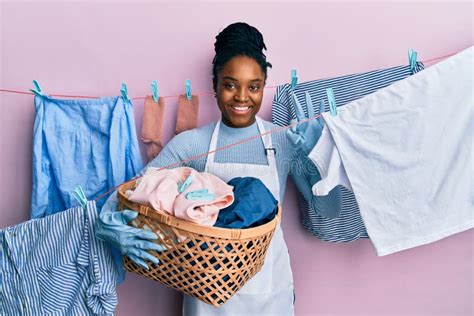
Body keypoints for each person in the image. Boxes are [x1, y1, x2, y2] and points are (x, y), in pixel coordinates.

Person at [96, 22, 339, 315]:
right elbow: (132, 192)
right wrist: (106, 227)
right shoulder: (192, 145)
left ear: (263, 86)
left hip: (269, 293)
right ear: (215, 86)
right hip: (206, 298)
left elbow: (329, 211)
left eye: (254, 86)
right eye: (230, 84)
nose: (241, 97)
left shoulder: (285, 140)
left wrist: (317, 160)